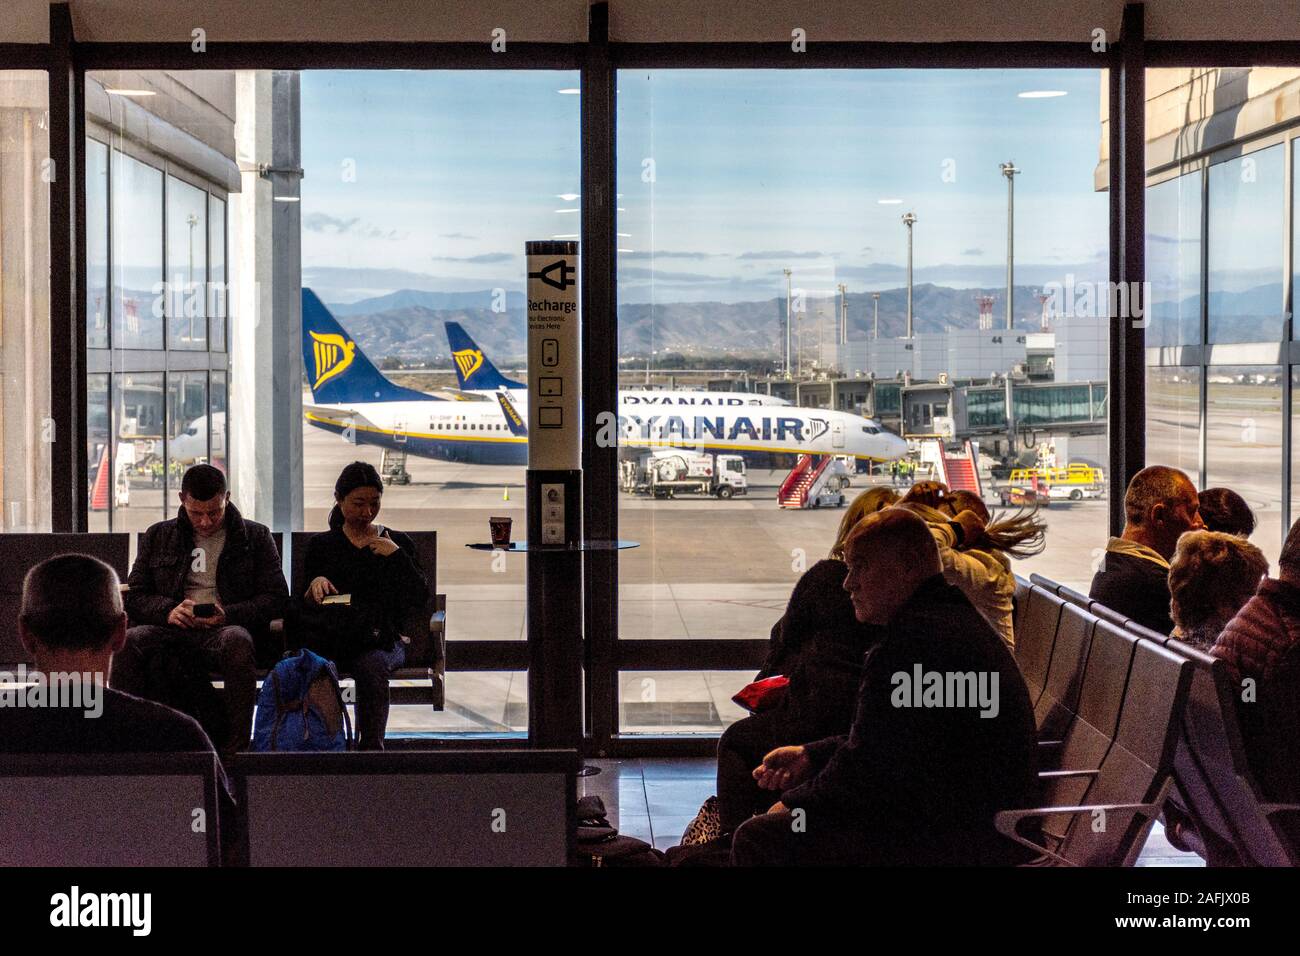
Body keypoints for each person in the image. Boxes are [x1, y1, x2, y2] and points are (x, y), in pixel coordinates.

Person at [730, 508, 1040, 866]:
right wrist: (811, 754)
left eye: (860, 567)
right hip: (976, 824)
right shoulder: (946, 620)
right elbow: (888, 743)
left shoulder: (911, 643)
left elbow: (868, 768)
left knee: (760, 838)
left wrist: (795, 803)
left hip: (955, 840)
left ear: (908, 566)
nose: (848, 583)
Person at [715, 486, 897, 833]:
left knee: (738, 741)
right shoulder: (901, 604)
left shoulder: (827, 578)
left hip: (820, 714)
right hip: (857, 716)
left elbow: (785, 637)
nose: (850, 586)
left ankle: (735, 838)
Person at [113, 464, 288, 755]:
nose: (206, 522)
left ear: (226, 498)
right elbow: (135, 594)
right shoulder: (159, 535)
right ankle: (129, 745)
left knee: (237, 642)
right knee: (129, 644)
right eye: (197, 513)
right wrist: (168, 610)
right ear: (182, 499)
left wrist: (228, 613)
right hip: (171, 627)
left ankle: (236, 751)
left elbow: (276, 598)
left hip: (223, 628)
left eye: (214, 512)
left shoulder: (255, 537)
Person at [296, 461, 429, 750]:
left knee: (371, 666)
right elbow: (302, 602)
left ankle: (371, 746)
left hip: (381, 639)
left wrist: (397, 558)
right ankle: (323, 743)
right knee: (317, 665)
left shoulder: (396, 543)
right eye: (358, 504)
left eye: (374, 503)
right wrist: (314, 585)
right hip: (336, 635)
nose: (366, 512)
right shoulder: (323, 546)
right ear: (340, 500)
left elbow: (420, 597)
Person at [898, 482, 1046, 648]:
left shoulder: (984, 567)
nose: (929, 523)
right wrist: (903, 504)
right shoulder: (963, 565)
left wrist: (955, 529)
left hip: (979, 673)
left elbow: (923, 547)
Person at [1088, 465, 1204, 634]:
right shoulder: (1160, 587)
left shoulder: (1112, 565)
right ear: (1159, 516)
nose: (1200, 523)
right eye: (1192, 512)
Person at [1168, 531, 1267, 650]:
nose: (1256, 600)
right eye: (1252, 592)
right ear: (1224, 600)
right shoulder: (1231, 651)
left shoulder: (1181, 636)